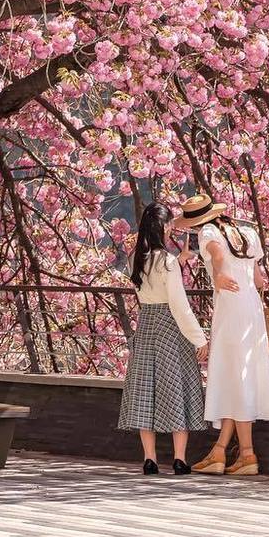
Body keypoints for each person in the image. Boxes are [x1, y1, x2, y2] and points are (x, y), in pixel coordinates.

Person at [176, 192, 269, 476]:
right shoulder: (247, 233)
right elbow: (258, 279)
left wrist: (219, 274)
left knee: (234, 377)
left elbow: (218, 255)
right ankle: (221, 451)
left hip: (231, 308)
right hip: (252, 310)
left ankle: (247, 454)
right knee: (239, 378)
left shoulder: (208, 232)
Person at [117, 202, 207, 474]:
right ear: (165, 227)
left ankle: (150, 458)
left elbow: (152, 282)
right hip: (170, 327)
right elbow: (179, 305)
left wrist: (178, 263)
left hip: (146, 325)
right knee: (176, 386)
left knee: (146, 389)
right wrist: (199, 338)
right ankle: (179, 458)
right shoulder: (168, 262)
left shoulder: (136, 258)